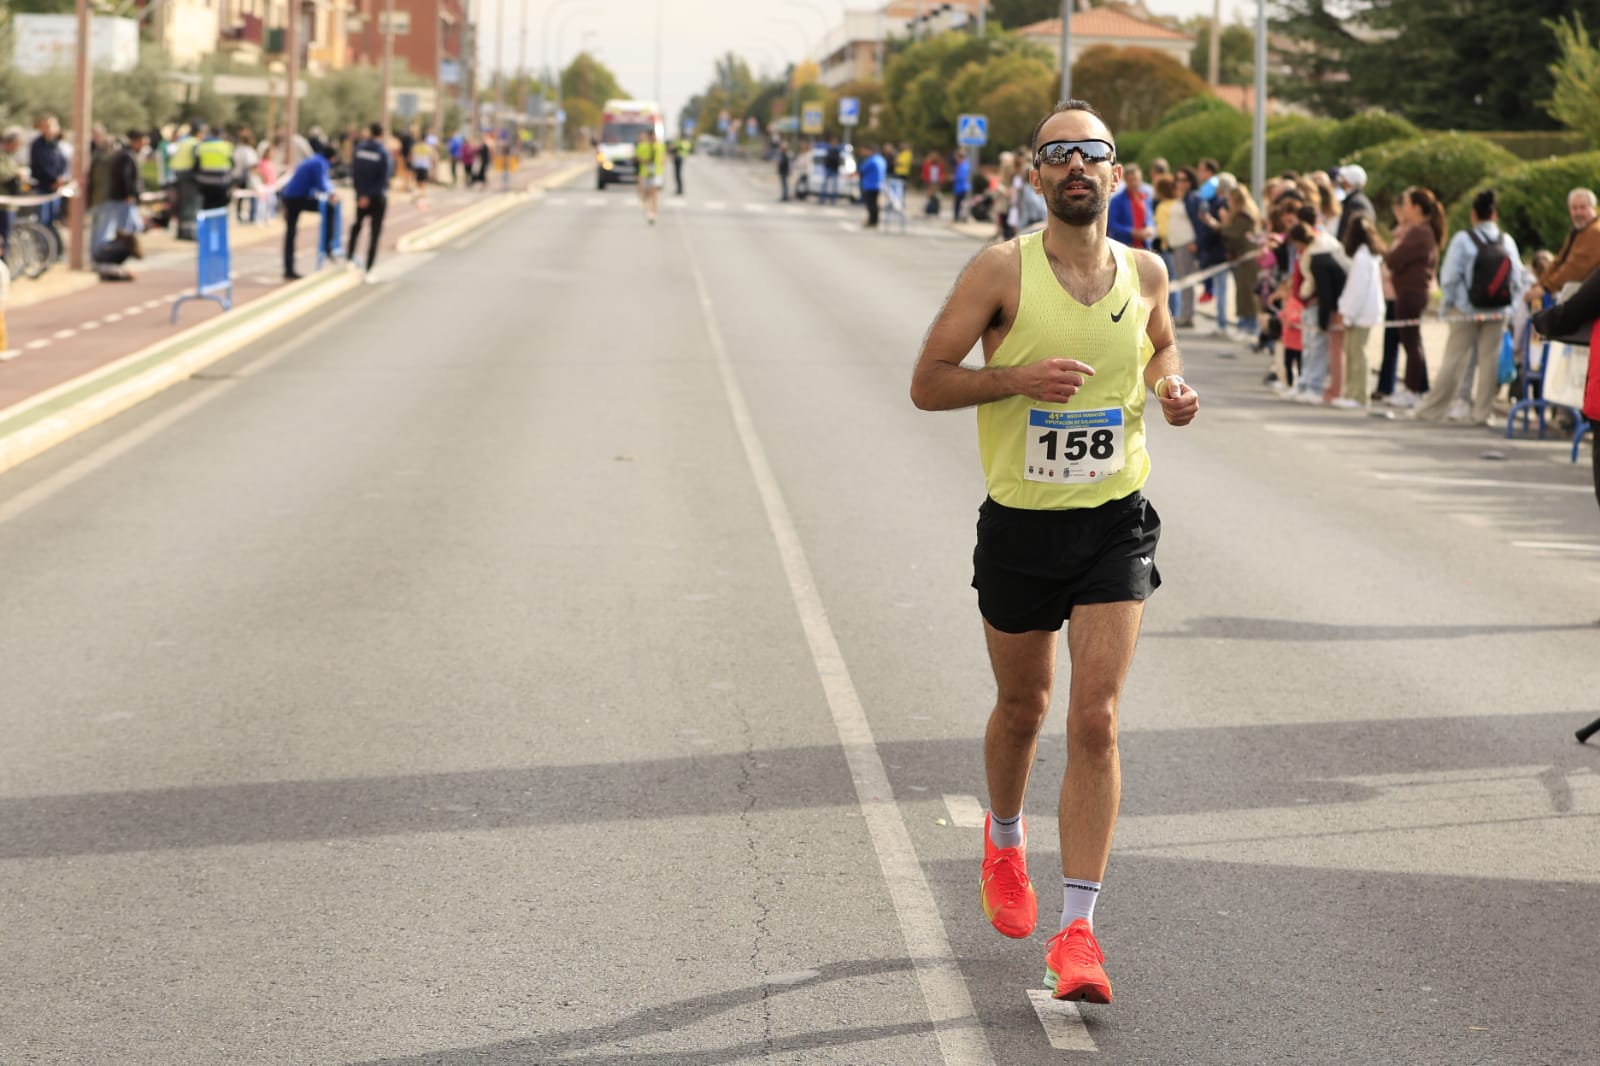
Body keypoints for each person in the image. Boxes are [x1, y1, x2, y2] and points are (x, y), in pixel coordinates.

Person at [908, 98, 1199, 1007]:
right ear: (1034, 175)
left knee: (1096, 718)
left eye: (1092, 152)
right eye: (1059, 153)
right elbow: (927, 383)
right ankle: (1003, 840)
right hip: (1022, 524)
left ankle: (1078, 932)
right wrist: (1015, 379)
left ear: (1117, 172)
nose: (1077, 165)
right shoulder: (1002, 269)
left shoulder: (1146, 271)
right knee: (1024, 706)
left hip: (1115, 518)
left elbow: (1160, 345)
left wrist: (1172, 385)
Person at [1413, 188, 1528, 425]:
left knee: (1454, 360)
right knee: (1489, 362)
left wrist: (1447, 307)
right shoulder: (1507, 241)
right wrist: (1511, 307)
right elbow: (1517, 278)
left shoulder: (1463, 240)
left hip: (1466, 309)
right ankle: (1482, 413)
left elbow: (1450, 277)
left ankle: (1433, 410)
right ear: (1494, 215)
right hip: (1498, 310)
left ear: (1474, 214)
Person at [1382, 187, 1444, 407]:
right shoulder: (1421, 231)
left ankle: (1413, 389)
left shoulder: (1420, 232)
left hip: (1411, 292)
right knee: (1411, 341)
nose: (1404, 208)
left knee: (1411, 342)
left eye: (1407, 204)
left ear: (1416, 207)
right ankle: (1415, 387)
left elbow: (1394, 258)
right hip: (1408, 291)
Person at [1334, 215, 1385, 409]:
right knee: (1353, 352)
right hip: (1363, 312)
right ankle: (1351, 392)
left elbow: (1356, 290)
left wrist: (1347, 314)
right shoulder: (1367, 256)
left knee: (1357, 354)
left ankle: (1359, 395)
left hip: (1360, 314)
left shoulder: (1363, 259)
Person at [279, 143, 337, 280]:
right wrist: (332, 193)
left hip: (292, 197)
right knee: (330, 208)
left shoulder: (313, 160)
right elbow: (322, 183)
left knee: (290, 233)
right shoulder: (319, 163)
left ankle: (288, 268)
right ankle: (327, 246)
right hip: (296, 199)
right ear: (332, 157)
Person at [347, 123, 393, 279]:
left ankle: (349, 258)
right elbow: (384, 178)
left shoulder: (359, 149)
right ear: (382, 134)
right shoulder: (383, 153)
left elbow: (354, 173)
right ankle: (369, 268)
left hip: (361, 196)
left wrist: (361, 195)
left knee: (357, 226)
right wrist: (369, 195)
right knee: (375, 233)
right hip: (377, 198)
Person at [1218, 184, 1263, 343]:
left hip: (1248, 257)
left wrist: (1224, 223)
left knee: (1247, 292)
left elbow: (1233, 235)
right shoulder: (1248, 213)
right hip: (1245, 256)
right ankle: (1245, 323)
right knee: (1243, 291)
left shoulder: (1243, 216)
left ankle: (1249, 326)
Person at [1536, 188, 1599, 298]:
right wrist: (1540, 285)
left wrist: (1546, 287)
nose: (1578, 212)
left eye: (1583, 207)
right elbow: (1559, 260)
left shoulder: (1595, 232)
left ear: (1593, 208)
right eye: (1574, 208)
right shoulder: (1579, 231)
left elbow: (1575, 267)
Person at [1106, 164, 1152, 249]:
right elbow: (1112, 225)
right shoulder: (1117, 200)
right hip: (1125, 247)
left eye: (1136, 179)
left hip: (1145, 246)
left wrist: (1149, 227)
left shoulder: (1146, 197)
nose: (1134, 183)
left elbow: (1150, 218)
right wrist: (1131, 232)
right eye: (1131, 180)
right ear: (1125, 180)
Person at [1334, 164, 1374, 243]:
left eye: (1344, 179)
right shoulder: (1357, 200)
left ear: (1348, 182)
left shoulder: (1356, 203)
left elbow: (1346, 231)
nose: (1341, 181)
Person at [636, 128, 665, 225]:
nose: (653, 139)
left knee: (654, 192)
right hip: (645, 173)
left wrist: (663, 162)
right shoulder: (643, 146)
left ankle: (653, 213)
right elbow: (637, 157)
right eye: (651, 137)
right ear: (648, 137)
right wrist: (644, 161)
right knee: (647, 194)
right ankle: (648, 208)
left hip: (656, 173)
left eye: (654, 137)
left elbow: (663, 157)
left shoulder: (660, 146)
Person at [857, 141, 885, 228]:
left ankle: (872, 221)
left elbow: (862, 169)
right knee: (874, 203)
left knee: (870, 204)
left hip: (870, 184)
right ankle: (874, 220)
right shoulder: (881, 159)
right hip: (879, 184)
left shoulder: (872, 160)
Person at [952, 149, 972, 222]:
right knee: (959, 203)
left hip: (962, 188)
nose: (956, 159)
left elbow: (961, 177)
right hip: (960, 187)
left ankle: (959, 217)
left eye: (956, 158)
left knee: (960, 204)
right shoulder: (962, 164)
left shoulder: (964, 165)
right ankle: (958, 217)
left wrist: (955, 177)